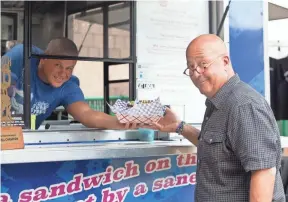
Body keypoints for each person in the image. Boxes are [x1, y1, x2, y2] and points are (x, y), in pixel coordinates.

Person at [149, 34, 285, 201]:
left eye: (203, 64)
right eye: (191, 67)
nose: (196, 72)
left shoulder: (243, 105)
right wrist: (179, 126)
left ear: (225, 62)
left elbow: (263, 172)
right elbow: (218, 149)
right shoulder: (218, 102)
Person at [1, 37, 133, 130]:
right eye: (58, 65)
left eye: (69, 68)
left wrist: (126, 122)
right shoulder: (22, 56)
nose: (63, 73)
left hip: (21, 140)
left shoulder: (68, 86)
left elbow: (87, 114)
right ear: (43, 59)